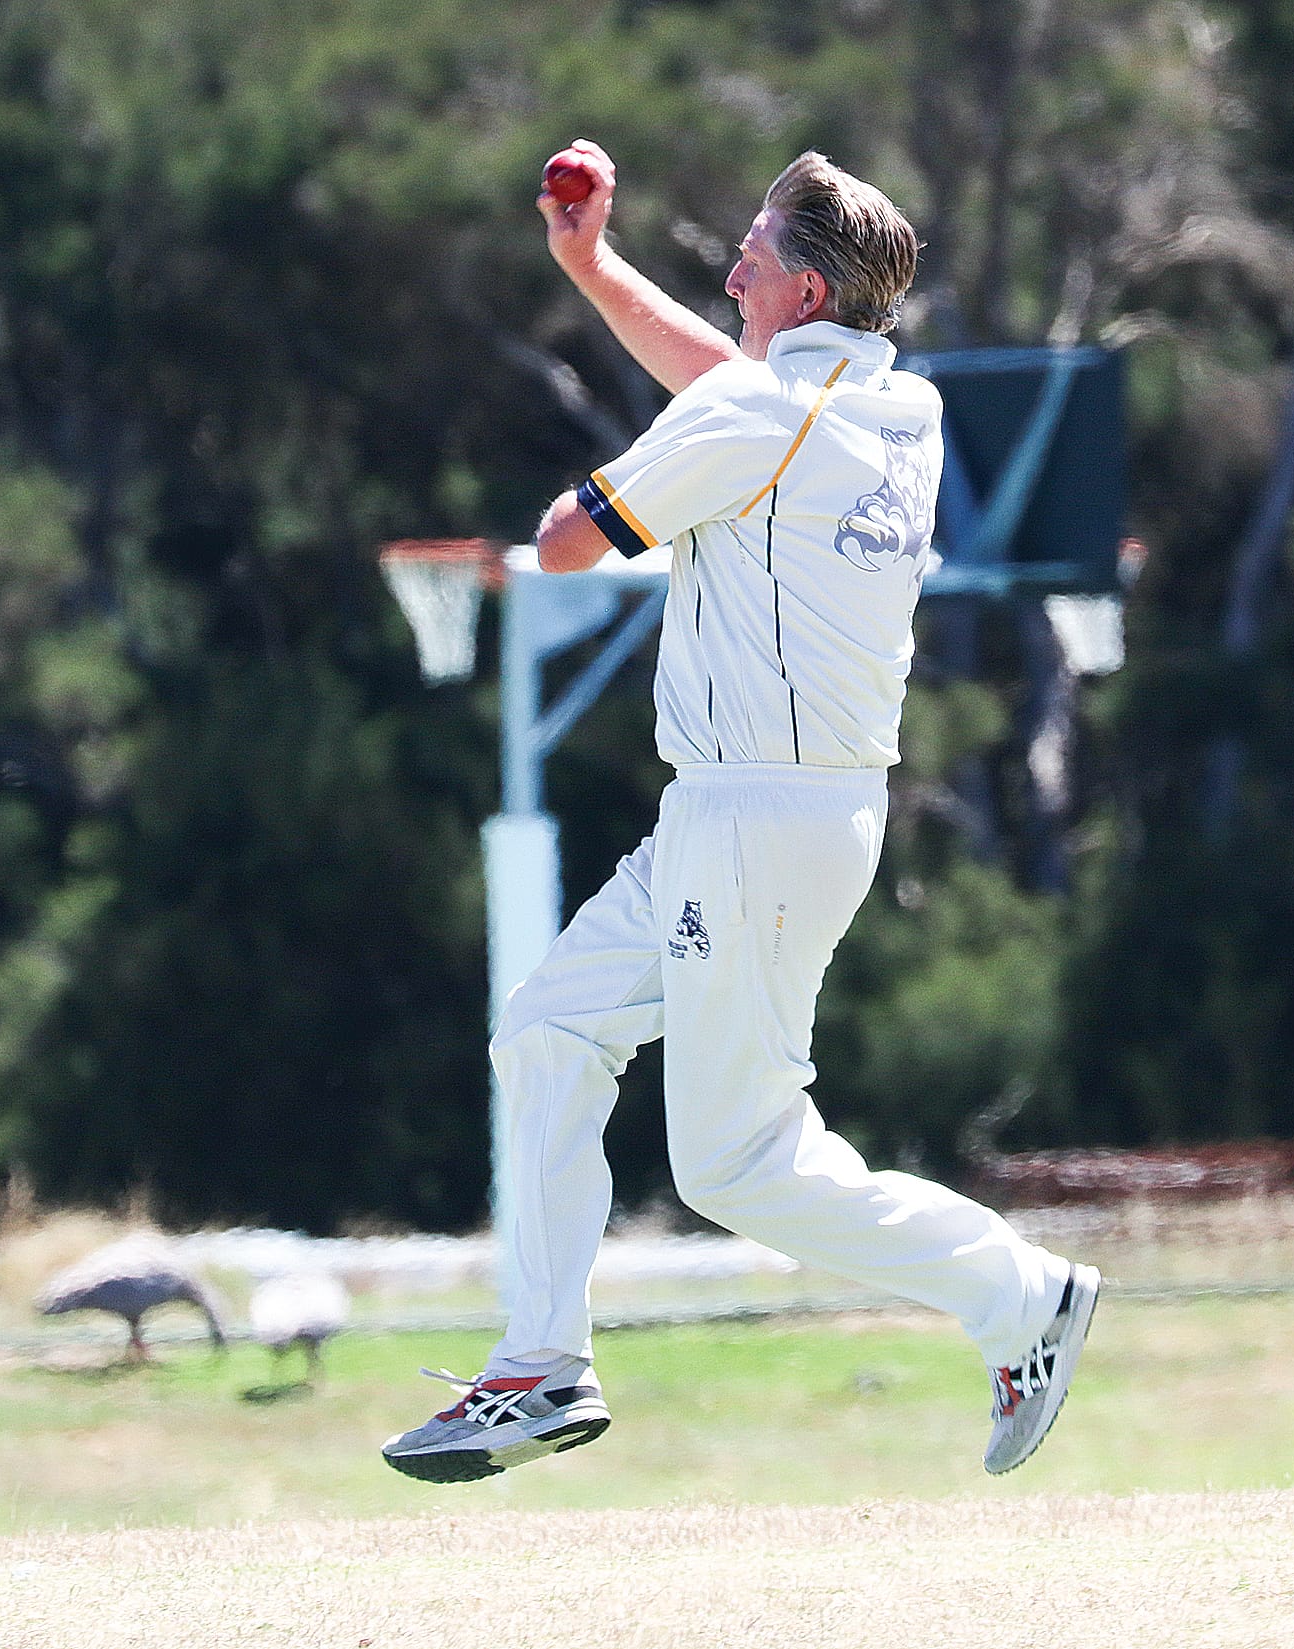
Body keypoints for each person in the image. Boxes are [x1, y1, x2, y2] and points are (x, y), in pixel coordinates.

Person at [382, 142, 1098, 1484]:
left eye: (752, 261)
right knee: (546, 1032)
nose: (727, 276)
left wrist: (614, 466)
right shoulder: (902, 416)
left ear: (808, 295)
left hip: (751, 823)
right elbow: (736, 397)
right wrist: (592, 268)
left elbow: (564, 542)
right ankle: (539, 1363)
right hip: (767, 814)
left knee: (738, 1164)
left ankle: (1018, 1295)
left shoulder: (756, 420)